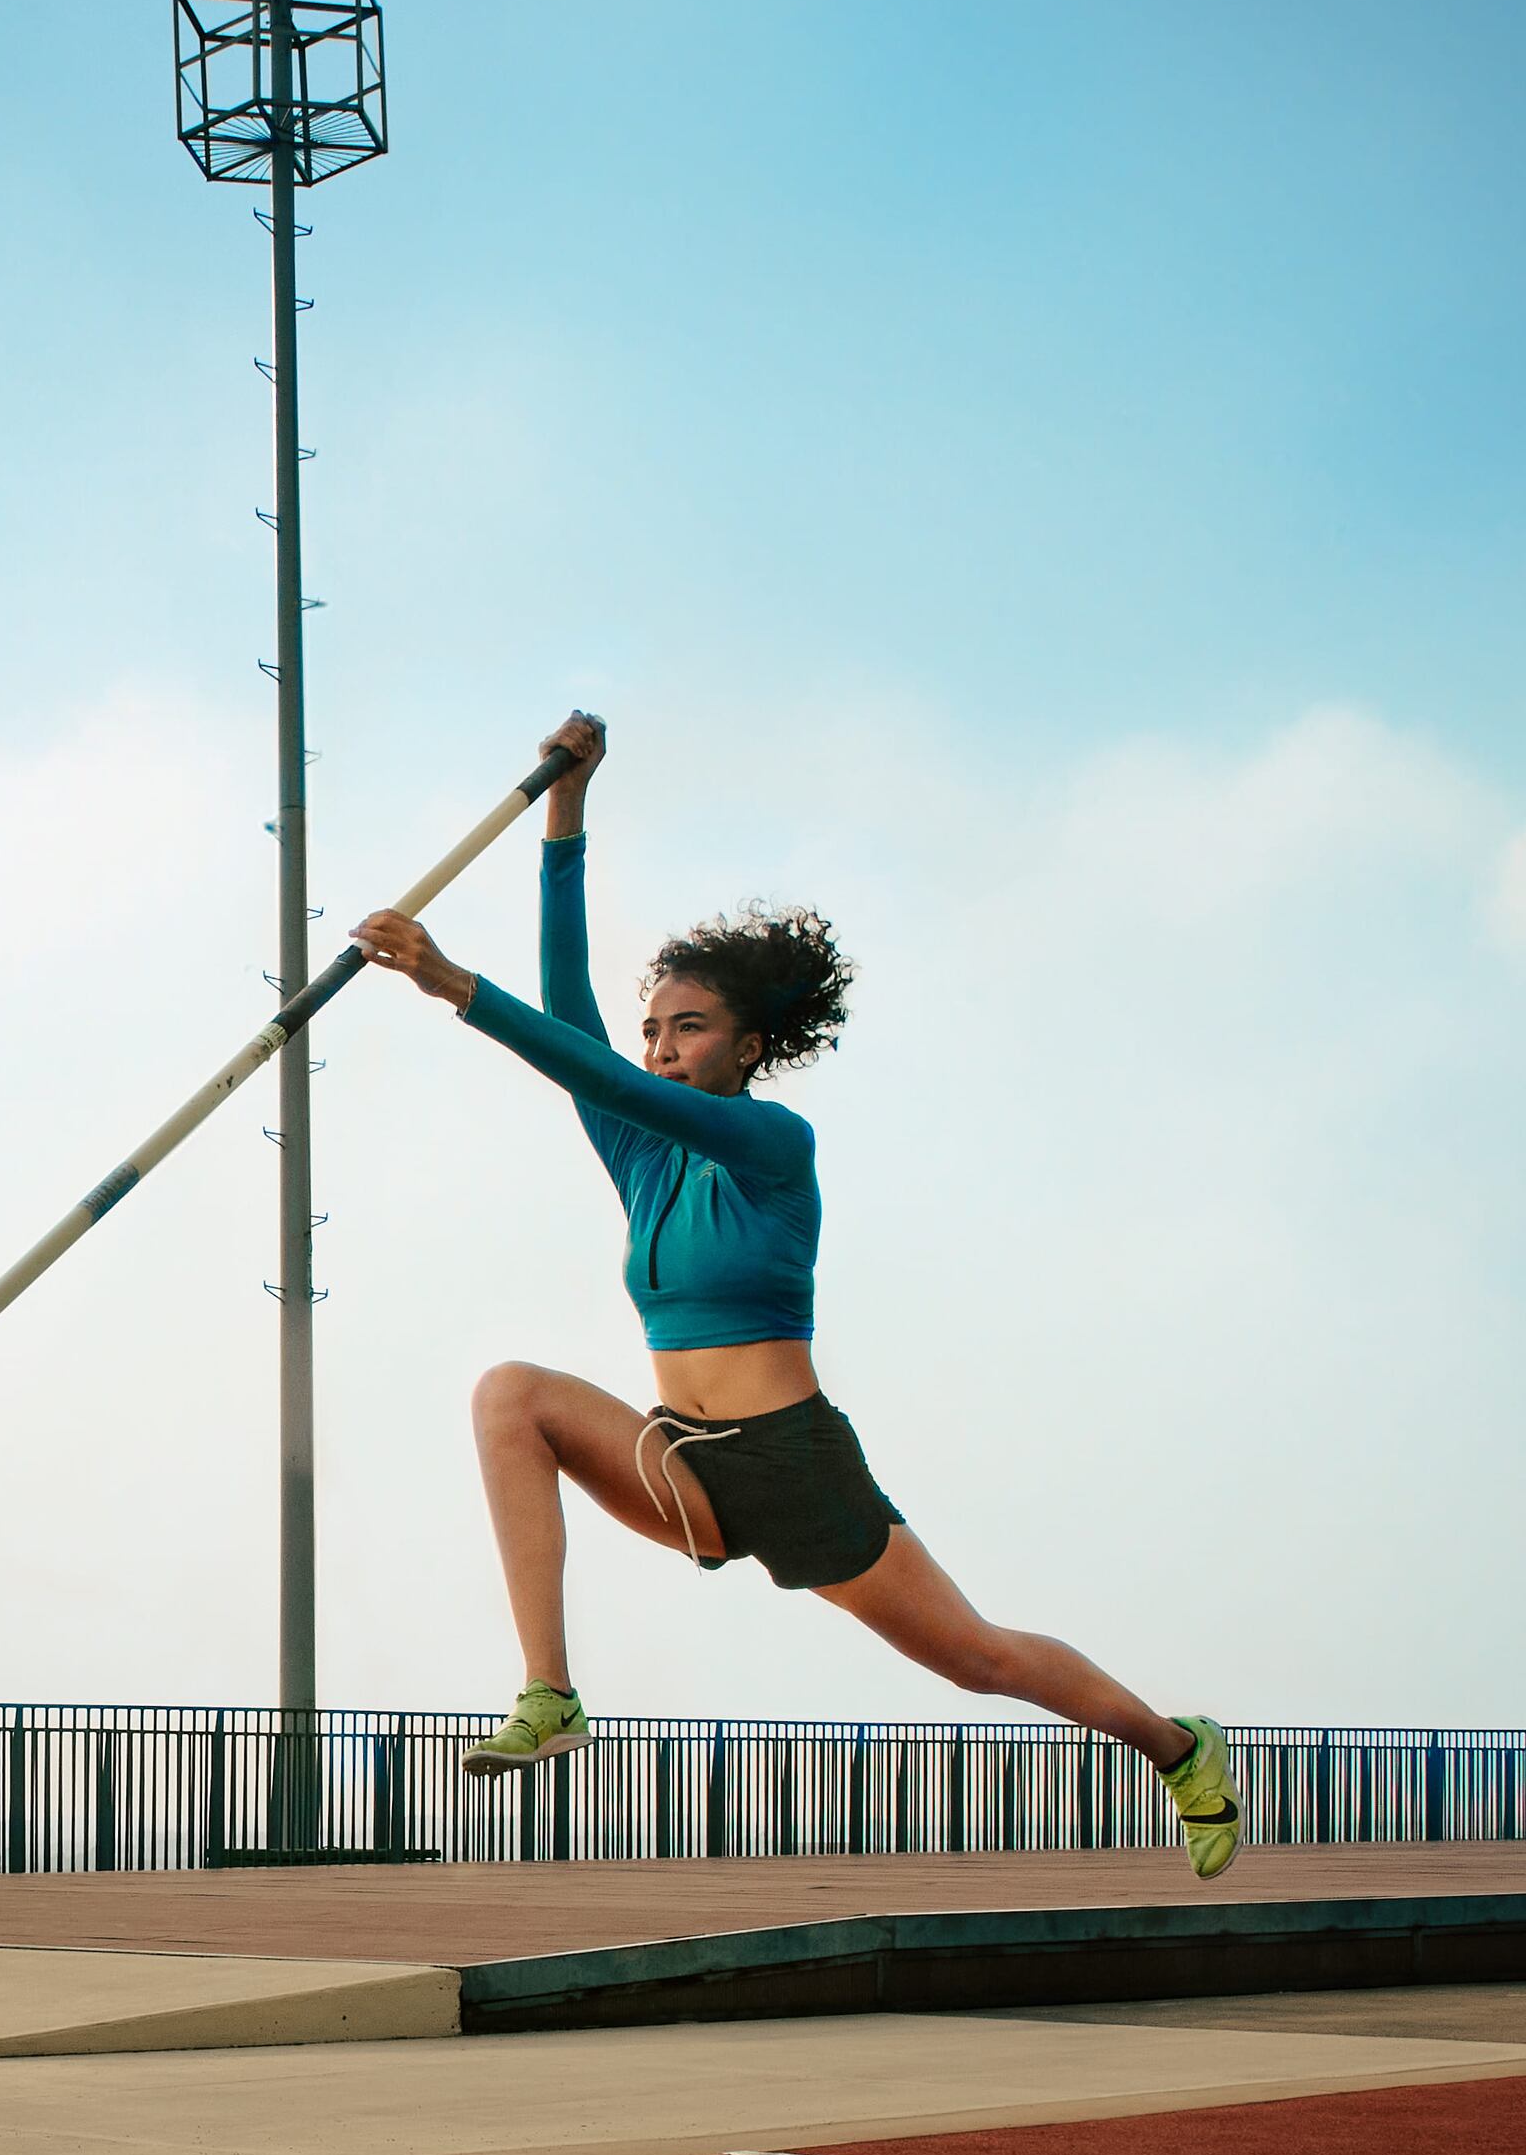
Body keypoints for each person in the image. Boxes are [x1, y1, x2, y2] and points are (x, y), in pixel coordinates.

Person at [346, 712, 1242, 1879]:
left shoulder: (770, 1141)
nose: (660, 1050)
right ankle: (549, 1691)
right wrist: (566, 808)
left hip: (792, 1462)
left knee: (977, 1660)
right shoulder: (639, 1155)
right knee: (507, 1394)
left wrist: (451, 981)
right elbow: (569, 1009)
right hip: (685, 1459)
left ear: (748, 1044)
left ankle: (1177, 1748)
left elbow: (577, 1056)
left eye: (689, 1028)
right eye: (652, 1031)